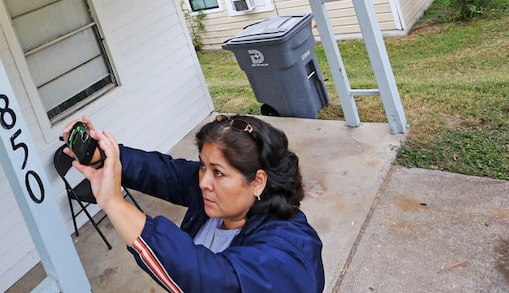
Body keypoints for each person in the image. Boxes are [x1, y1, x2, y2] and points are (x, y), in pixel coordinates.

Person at [62, 114, 325, 293]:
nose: (203, 182)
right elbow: (164, 173)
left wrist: (115, 204)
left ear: (257, 182)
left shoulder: (290, 249)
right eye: (202, 166)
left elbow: (213, 280)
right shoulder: (222, 200)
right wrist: (103, 157)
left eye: (218, 172)